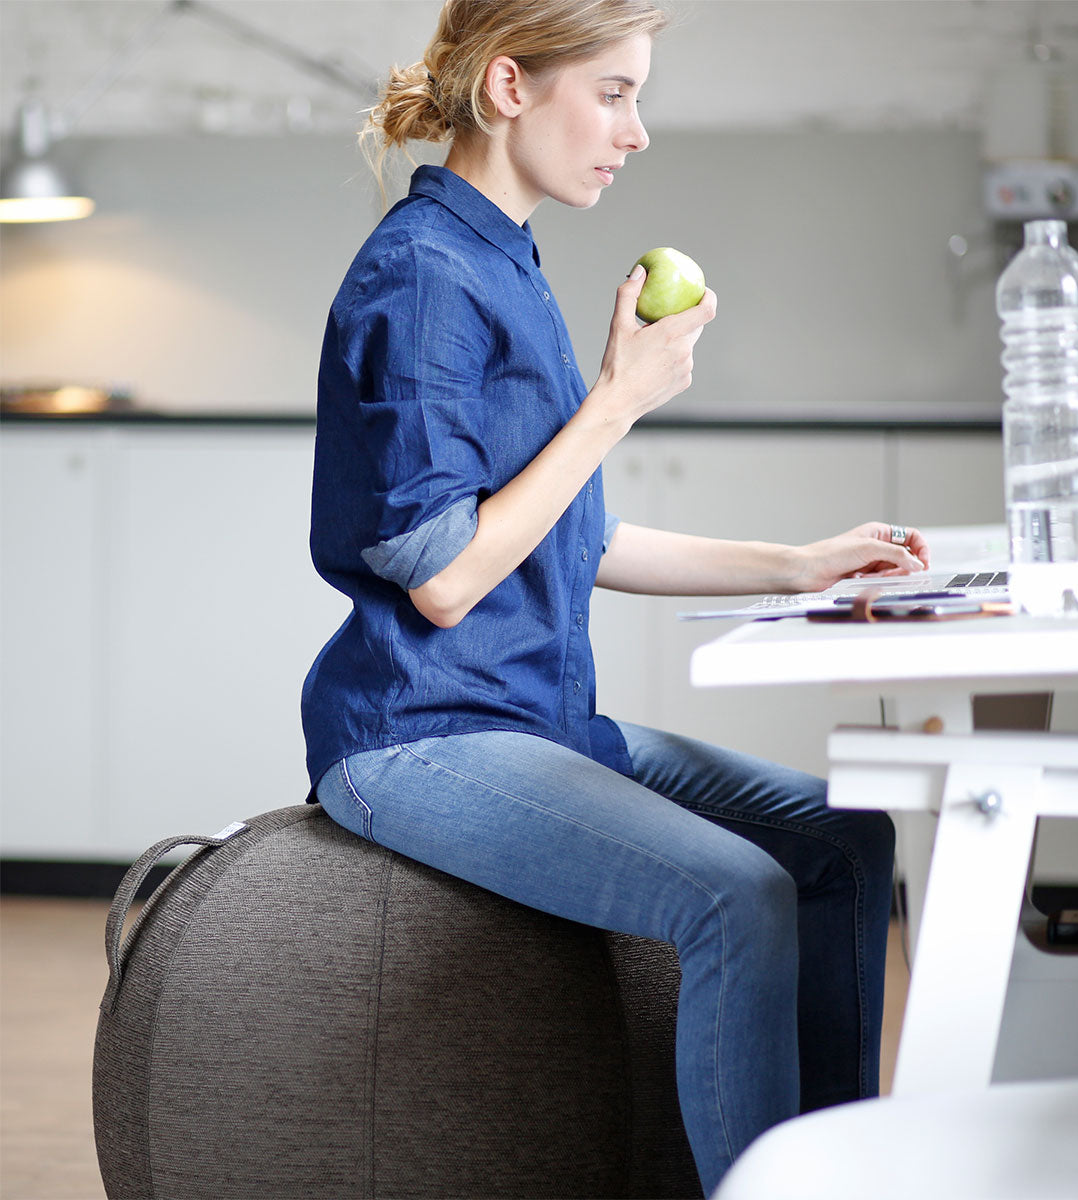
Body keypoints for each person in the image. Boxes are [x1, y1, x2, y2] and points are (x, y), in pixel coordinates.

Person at [301, 1, 931, 1194]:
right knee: (737, 895)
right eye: (614, 93)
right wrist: (618, 400)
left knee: (847, 837)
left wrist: (798, 565)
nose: (635, 132)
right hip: (419, 736)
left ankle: (829, 1170)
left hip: (532, 718)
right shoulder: (422, 274)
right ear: (509, 88)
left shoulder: (503, 258)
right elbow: (446, 575)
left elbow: (566, 536)